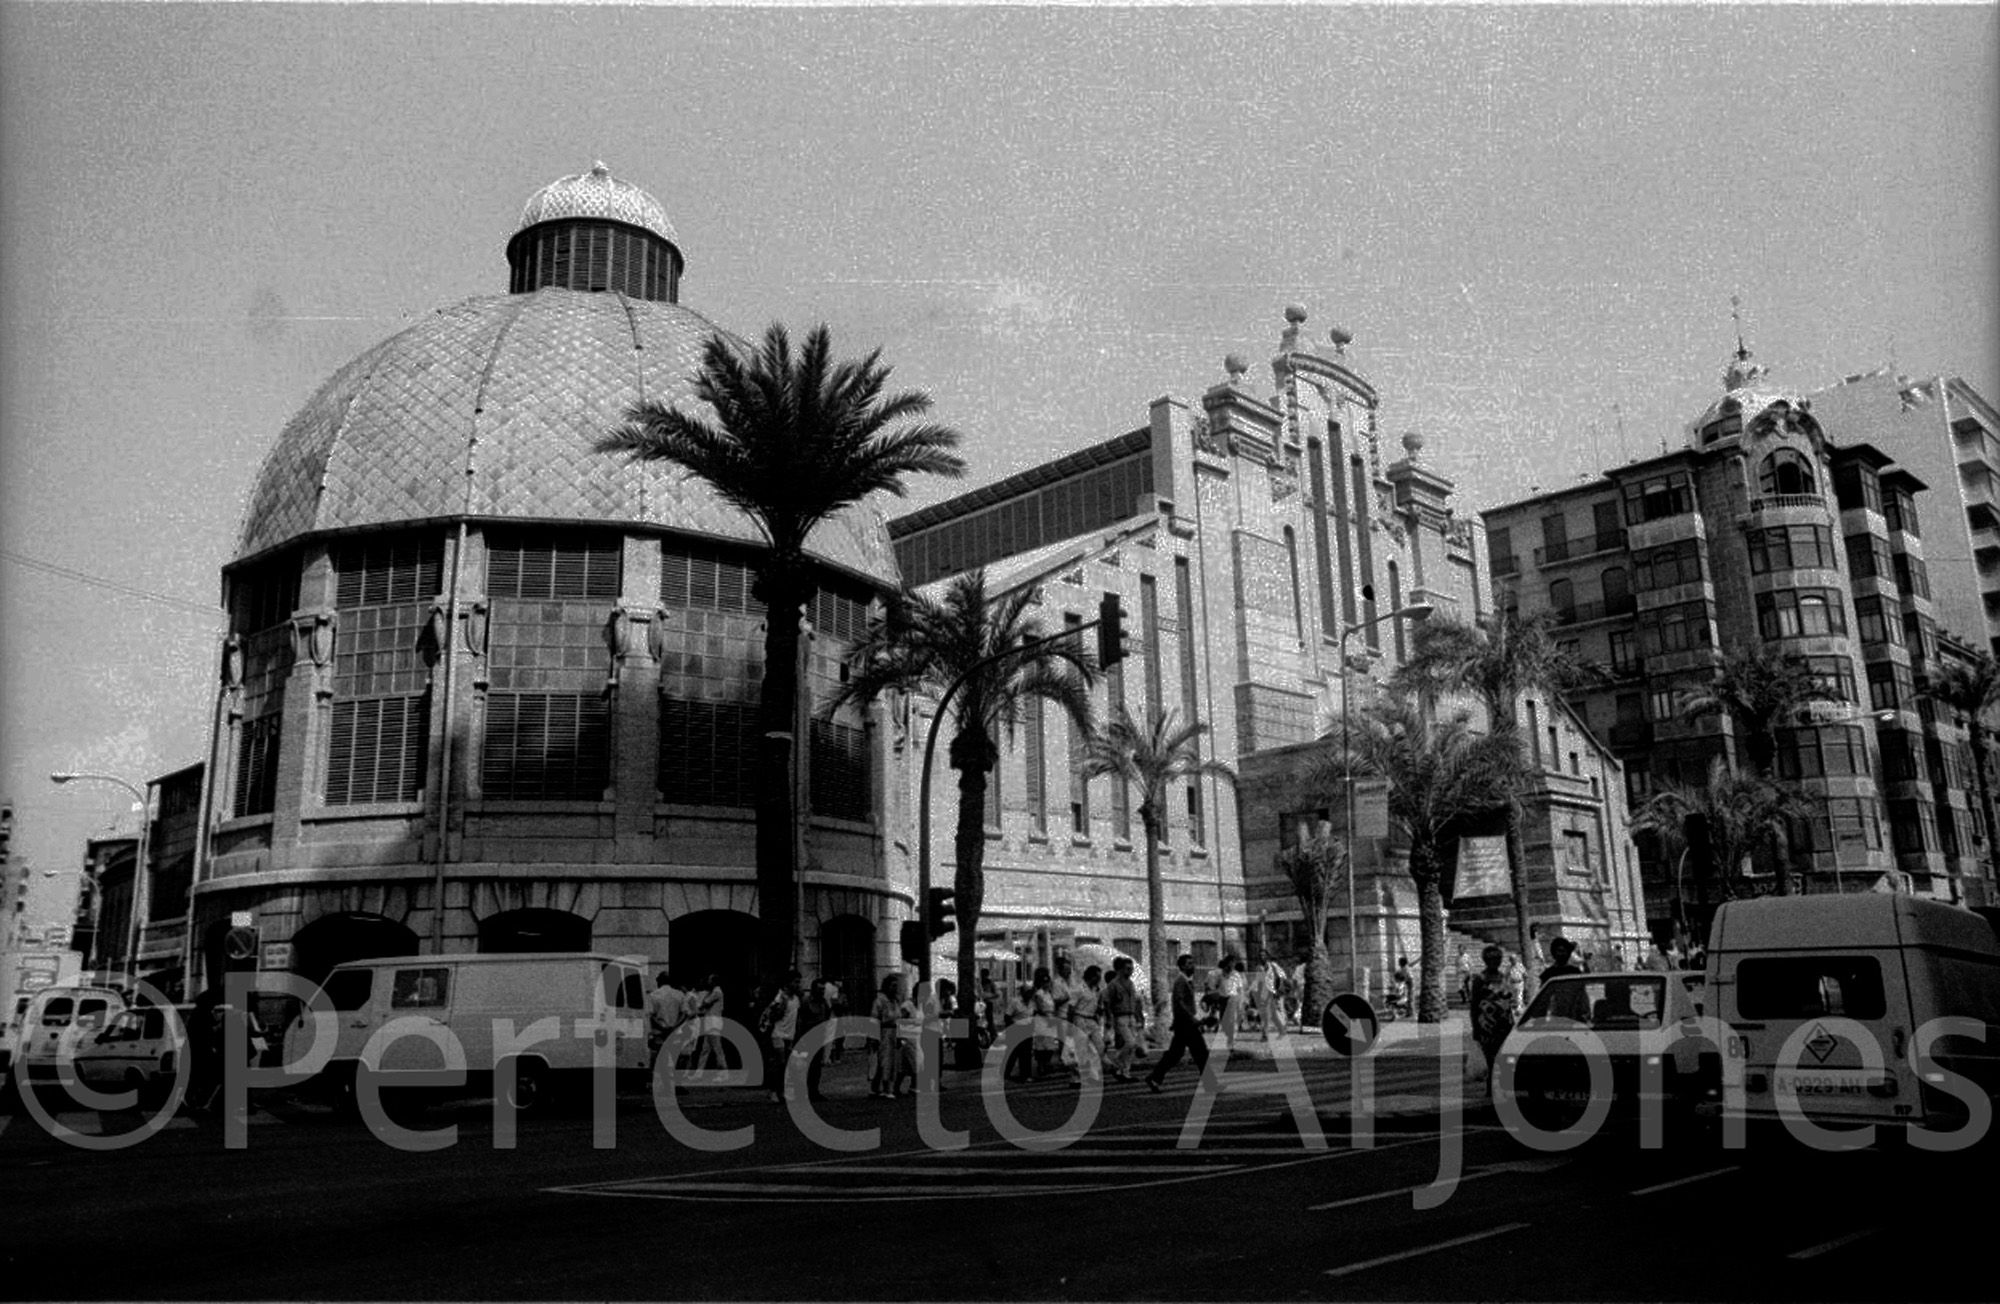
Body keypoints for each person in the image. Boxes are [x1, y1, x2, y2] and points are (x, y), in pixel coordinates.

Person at [1146, 953, 1211, 1092]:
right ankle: (1209, 1083)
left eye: (1193, 963)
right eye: (1189, 964)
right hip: (1186, 1024)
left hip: (1183, 1024)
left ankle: (1154, 1077)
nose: (1192, 966)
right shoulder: (1181, 981)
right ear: (1181, 966)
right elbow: (1180, 1003)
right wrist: (1193, 1019)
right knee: (1201, 1053)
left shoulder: (1186, 981)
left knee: (1175, 1054)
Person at [1468, 945, 1516, 1086]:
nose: (1495, 961)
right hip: (1487, 1024)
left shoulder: (1503, 977)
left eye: (1498, 958)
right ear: (1485, 960)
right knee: (1490, 1056)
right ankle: (1491, 1085)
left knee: (1503, 1054)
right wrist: (1475, 1027)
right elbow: (1474, 1005)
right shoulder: (1480, 979)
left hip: (1503, 1022)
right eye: (1491, 959)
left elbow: (1507, 1000)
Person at [758, 971, 803, 1103]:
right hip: (778, 1033)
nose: (798, 984)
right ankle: (773, 1090)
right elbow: (771, 1015)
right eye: (796, 982)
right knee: (780, 1062)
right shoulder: (780, 998)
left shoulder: (796, 999)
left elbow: (797, 1017)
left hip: (790, 1034)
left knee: (786, 1064)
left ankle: (781, 1090)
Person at [1104, 956, 1143, 1081]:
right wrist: (1109, 1018)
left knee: (1131, 1047)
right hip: (1120, 1016)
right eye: (1127, 968)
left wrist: (1137, 1017)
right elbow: (1107, 1002)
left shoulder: (1131, 983)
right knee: (1130, 1043)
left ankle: (1124, 1072)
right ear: (1120, 969)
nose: (1130, 971)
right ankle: (1116, 1060)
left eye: (1131, 968)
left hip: (1131, 1016)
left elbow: (1135, 1002)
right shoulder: (1113, 985)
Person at [798, 977, 833, 1102]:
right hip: (807, 1036)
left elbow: (827, 1016)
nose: (821, 992)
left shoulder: (824, 1002)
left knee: (816, 1066)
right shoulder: (806, 1001)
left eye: (823, 989)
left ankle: (814, 1091)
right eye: (819, 989)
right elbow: (800, 1019)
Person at [1069, 965, 1105, 1085]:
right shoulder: (1079, 989)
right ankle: (1076, 1077)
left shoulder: (1096, 990)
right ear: (1091, 976)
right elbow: (1071, 1007)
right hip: (1080, 1018)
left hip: (1091, 1019)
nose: (1099, 979)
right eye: (1097, 976)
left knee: (1099, 1047)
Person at [870, 974, 903, 1098]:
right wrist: (874, 1037)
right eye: (893, 986)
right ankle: (886, 1088)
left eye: (896, 986)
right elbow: (874, 1020)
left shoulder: (896, 1001)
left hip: (894, 1032)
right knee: (885, 1060)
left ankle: (876, 1087)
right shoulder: (880, 1001)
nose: (895, 988)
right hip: (884, 1032)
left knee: (891, 1060)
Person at [646, 972, 686, 1064]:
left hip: (659, 1032)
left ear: (659, 982)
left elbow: (651, 1016)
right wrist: (674, 1026)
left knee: (659, 1058)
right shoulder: (680, 995)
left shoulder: (653, 995)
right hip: (675, 1031)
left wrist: (662, 1027)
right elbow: (684, 1014)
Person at [1029, 967, 1060, 1079]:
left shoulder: (1049, 994)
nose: (1047, 984)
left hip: (1050, 1018)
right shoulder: (1039, 993)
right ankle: (1041, 1065)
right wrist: (1047, 1016)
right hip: (1042, 1019)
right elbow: (1039, 1008)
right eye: (1045, 982)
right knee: (1041, 1044)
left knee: (1050, 1044)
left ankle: (1047, 1063)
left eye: (1048, 982)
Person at [1217, 955, 1248, 1055]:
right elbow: (1215, 986)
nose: (1231, 966)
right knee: (1224, 1023)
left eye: (1233, 964)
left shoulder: (1236, 975)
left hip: (1233, 999)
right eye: (1229, 963)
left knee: (1232, 1023)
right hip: (1223, 999)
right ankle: (1228, 1040)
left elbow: (1240, 990)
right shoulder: (1220, 974)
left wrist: (1241, 1003)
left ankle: (1231, 1044)